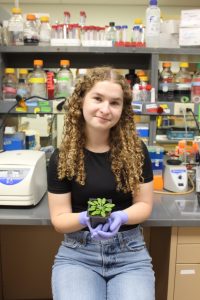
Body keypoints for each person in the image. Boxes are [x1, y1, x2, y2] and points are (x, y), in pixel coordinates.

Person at [47, 66, 155, 300]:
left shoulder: (136, 151)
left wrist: (122, 217)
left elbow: (144, 204)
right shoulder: (62, 157)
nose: (105, 109)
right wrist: (84, 218)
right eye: (98, 98)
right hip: (78, 255)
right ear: (81, 101)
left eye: (114, 103)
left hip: (130, 254)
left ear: (122, 110)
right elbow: (59, 220)